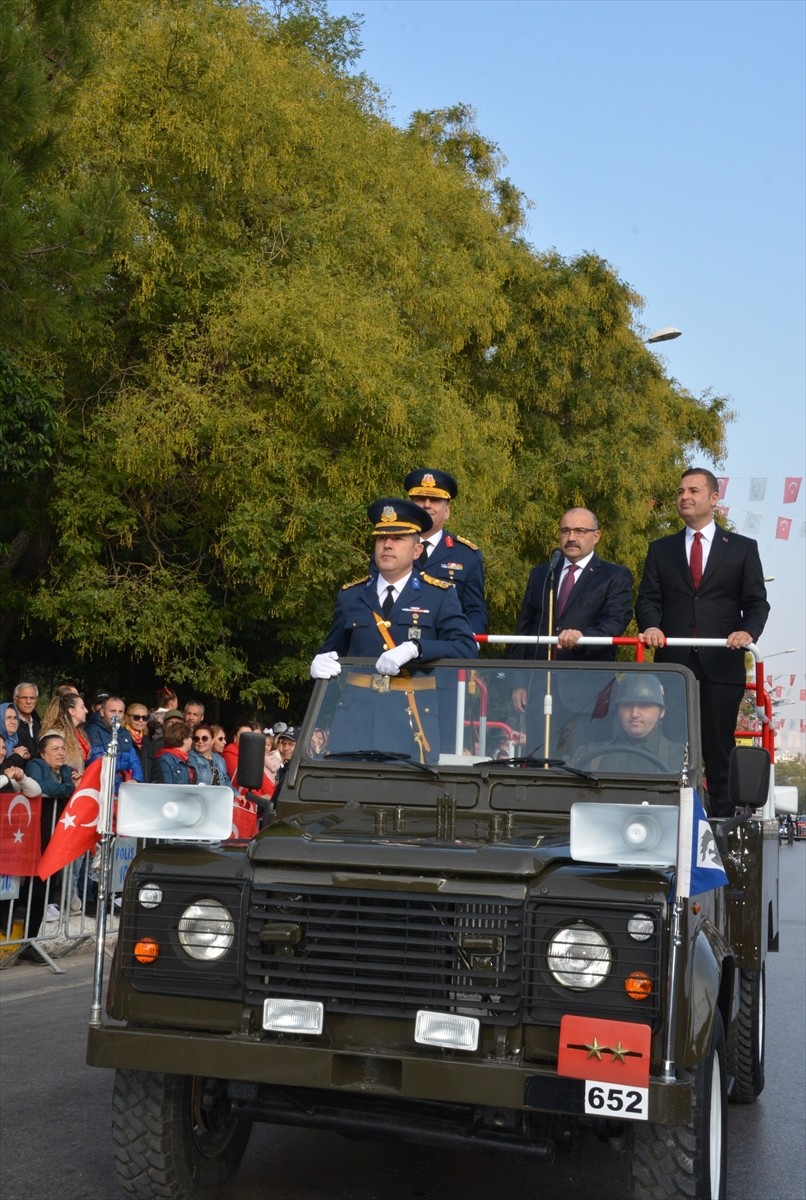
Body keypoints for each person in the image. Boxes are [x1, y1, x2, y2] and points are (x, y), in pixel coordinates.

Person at [636, 467, 769, 816]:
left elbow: (756, 602)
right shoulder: (661, 550)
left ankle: (723, 825)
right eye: (680, 491)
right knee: (670, 746)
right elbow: (648, 599)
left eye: (693, 491)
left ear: (713, 498)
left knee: (718, 748)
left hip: (721, 664)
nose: (684, 497)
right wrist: (650, 626)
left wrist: (747, 632)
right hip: (674, 664)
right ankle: (667, 818)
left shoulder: (741, 549)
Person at [311, 498, 478, 761]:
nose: (387, 545)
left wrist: (416, 648)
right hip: (355, 722)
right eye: (381, 538)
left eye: (398, 538)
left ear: (417, 550)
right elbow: (333, 649)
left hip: (409, 723)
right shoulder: (351, 596)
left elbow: (466, 647)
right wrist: (319, 661)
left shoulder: (438, 595)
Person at [510, 508, 633, 752]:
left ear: (596, 536)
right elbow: (523, 629)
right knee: (536, 761)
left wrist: (583, 639)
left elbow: (615, 623)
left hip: (587, 689)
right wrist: (518, 682)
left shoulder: (614, 576)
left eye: (580, 531)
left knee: (581, 764)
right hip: (540, 687)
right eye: (565, 531)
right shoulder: (542, 574)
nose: (571, 537)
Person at [403, 468, 488, 633]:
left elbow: (475, 611)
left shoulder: (467, 555)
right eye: (420, 498)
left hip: (444, 651)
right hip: (393, 648)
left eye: (434, 500)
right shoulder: (389, 548)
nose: (426, 505)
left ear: (447, 512)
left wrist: (465, 644)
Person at [572, 674, 686, 773]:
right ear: (618, 710)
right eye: (627, 705)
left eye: (644, 705)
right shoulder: (590, 755)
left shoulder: (680, 757)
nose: (634, 713)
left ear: (662, 711)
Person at [23, 734, 78, 937]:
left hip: (56, 839)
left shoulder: (66, 770)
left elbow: (60, 790)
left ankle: (32, 940)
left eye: (63, 748)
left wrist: (65, 789)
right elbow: (40, 787)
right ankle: (26, 939)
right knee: (33, 890)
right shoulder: (36, 765)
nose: (61, 752)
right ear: (43, 752)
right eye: (55, 749)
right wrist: (69, 787)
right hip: (35, 838)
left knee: (45, 889)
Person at [86, 695, 144, 788]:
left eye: (120, 712)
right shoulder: (93, 730)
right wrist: (121, 783)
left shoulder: (124, 733)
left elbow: (134, 760)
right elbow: (97, 760)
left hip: (124, 787)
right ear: (102, 712)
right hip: (102, 787)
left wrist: (136, 779)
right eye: (112, 711)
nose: (117, 715)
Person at [39, 692, 89, 773]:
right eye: (82, 707)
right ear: (72, 711)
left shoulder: (77, 733)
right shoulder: (54, 734)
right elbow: (52, 767)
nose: (86, 711)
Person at [123, 702, 155, 781]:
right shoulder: (121, 738)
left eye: (145, 718)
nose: (141, 720)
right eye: (136, 717)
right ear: (127, 718)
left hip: (145, 788)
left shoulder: (148, 741)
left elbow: (154, 767)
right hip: (127, 786)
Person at [12, 683, 40, 755]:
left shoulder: (37, 725)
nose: (28, 702)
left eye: (32, 698)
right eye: (24, 698)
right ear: (15, 700)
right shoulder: (10, 724)